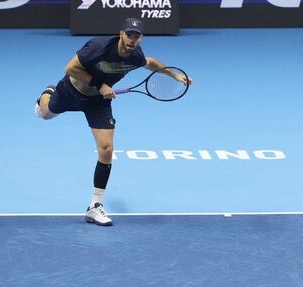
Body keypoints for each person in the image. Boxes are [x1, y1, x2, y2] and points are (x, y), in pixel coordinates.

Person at [34, 18, 192, 226]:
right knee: (45, 113)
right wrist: (100, 85)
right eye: (129, 35)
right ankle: (48, 91)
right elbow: (71, 68)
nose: (132, 40)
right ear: (121, 34)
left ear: (141, 39)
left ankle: (95, 206)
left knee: (107, 149)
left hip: (98, 102)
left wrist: (173, 75)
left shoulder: (135, 56)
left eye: (137, 36)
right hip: (71, 90)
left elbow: (150, 62)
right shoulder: (98, 48)